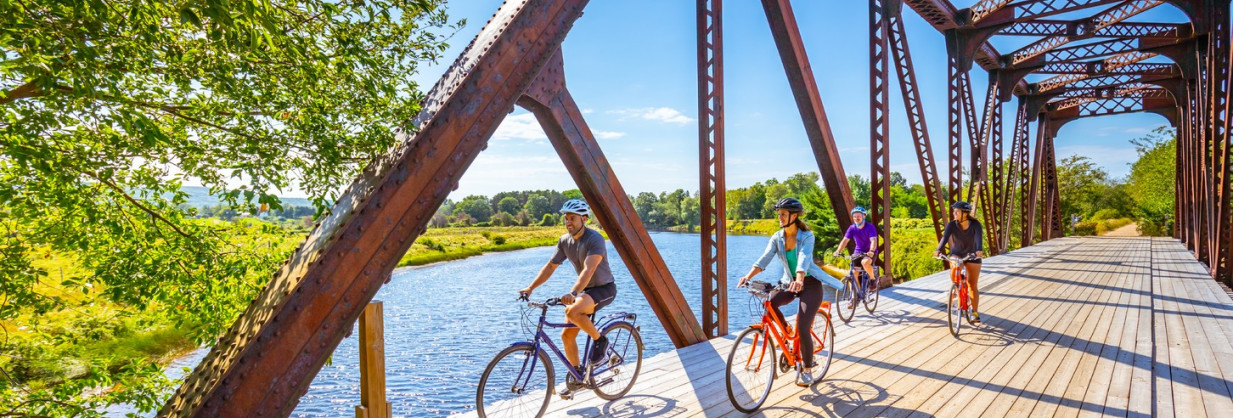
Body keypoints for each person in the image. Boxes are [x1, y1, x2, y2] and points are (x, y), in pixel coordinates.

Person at [737, 197, 843, 387]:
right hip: (789, 282)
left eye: (783, 215)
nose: (780, 218)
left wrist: (800, 278)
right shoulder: (777, 237)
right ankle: (786, 331)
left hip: (809, 284)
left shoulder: (807, 236)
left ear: (794, 216)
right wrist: (747, 276)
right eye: (779, 214)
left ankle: (808, 369)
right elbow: (764, 259)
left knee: (803, 327)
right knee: (769, 302)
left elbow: (803, 258)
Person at [518, 199, 618, 396]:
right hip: (585, 291)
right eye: (566, 219)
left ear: (584, 218)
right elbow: (550, 267)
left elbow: (588, 270)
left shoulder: (595, 239)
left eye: (572, 218)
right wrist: (530, 288)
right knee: (566, 335)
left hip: (604, 289)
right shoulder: (565, 241)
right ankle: (579, 375)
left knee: (573, 311)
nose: (568, 222)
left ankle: (600, 341)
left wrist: (573, 293)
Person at [933, 201, 984, 324]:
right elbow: (945, 238)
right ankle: (955, 288)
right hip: (957, 253)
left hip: (972, 255)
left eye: (957, 211)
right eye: (954, 211)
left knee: (972, 284)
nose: (954, 213)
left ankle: (975, 312)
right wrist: (938, 249)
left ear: (965, 214)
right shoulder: (952, 225)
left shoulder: (976, 225)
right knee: (955, 273)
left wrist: (979, 250)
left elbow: (978, 239)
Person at [832, 206, 880, 301]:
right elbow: (845, 241)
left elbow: (873, 240)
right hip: (858, 252)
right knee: (853, 273)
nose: (856, 218)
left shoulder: (870, 227)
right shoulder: (852, 228)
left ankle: (873, 278)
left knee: (865, 263)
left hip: (870, 251)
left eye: (859, 216)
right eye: (854, 216)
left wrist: (871, 251)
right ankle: (853, 298)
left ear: (864, 216)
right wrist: (838, 251)